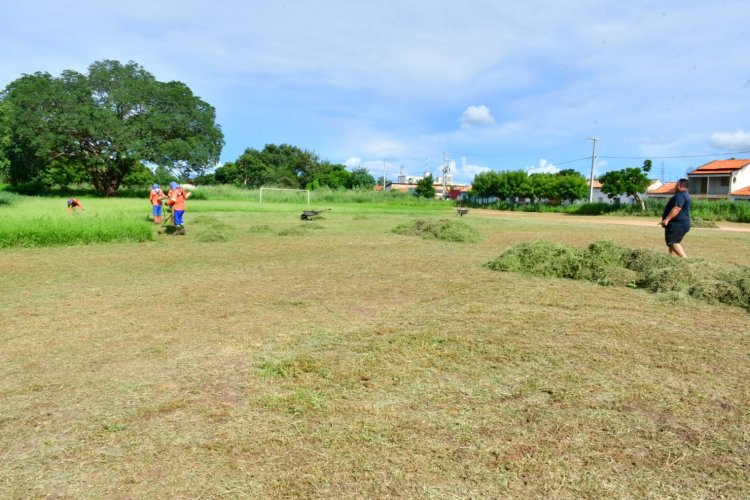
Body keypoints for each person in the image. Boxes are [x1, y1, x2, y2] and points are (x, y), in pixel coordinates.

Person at [661, 178, 691, 257]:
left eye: (675, 185)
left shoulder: (680, 195)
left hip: (677, 224)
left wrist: (667, 219)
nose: (674, 187)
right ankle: (670, 258)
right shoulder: (685, 194)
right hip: (681, 224)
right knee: (672, 241)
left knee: (672, 242)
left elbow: (677, 208)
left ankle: (685, 261)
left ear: (680, 186)